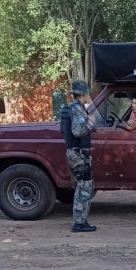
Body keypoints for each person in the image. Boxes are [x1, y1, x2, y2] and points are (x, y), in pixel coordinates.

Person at [59, 80, 97, 233]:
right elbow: (78, 131)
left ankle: (82, 221)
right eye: (88, 93)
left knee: (86, 186)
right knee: (84, 187)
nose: (89, 96)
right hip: (78, 154)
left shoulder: (72, 108)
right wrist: (91, 123)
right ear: (83, 94)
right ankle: (78, 224)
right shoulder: (76, 109)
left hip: (76, 153)